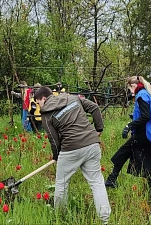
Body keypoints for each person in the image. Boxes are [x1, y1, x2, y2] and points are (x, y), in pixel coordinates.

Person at [34, 86, 111, 224]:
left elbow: (53, 139)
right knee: (97, 182)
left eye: (38, 103)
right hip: (92, 144)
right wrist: (98, 129)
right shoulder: (73, 97)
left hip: (70, 149)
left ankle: (59, 217)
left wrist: (57, 156)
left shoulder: (46, 115)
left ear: (44, 98)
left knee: (61, 184)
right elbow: (94, 107)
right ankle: (104, 219)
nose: (39, 106)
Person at [105, 76, 151, 200]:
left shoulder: (141, 95)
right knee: (134, 155)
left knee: (125, 152)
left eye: (129, 89)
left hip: (145, 133)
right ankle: (113, 179)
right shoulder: (148, 94)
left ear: (133, 86)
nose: (129, 92)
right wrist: (134, 116)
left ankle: (112, 179)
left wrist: (129, 125)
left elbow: (145, 116)